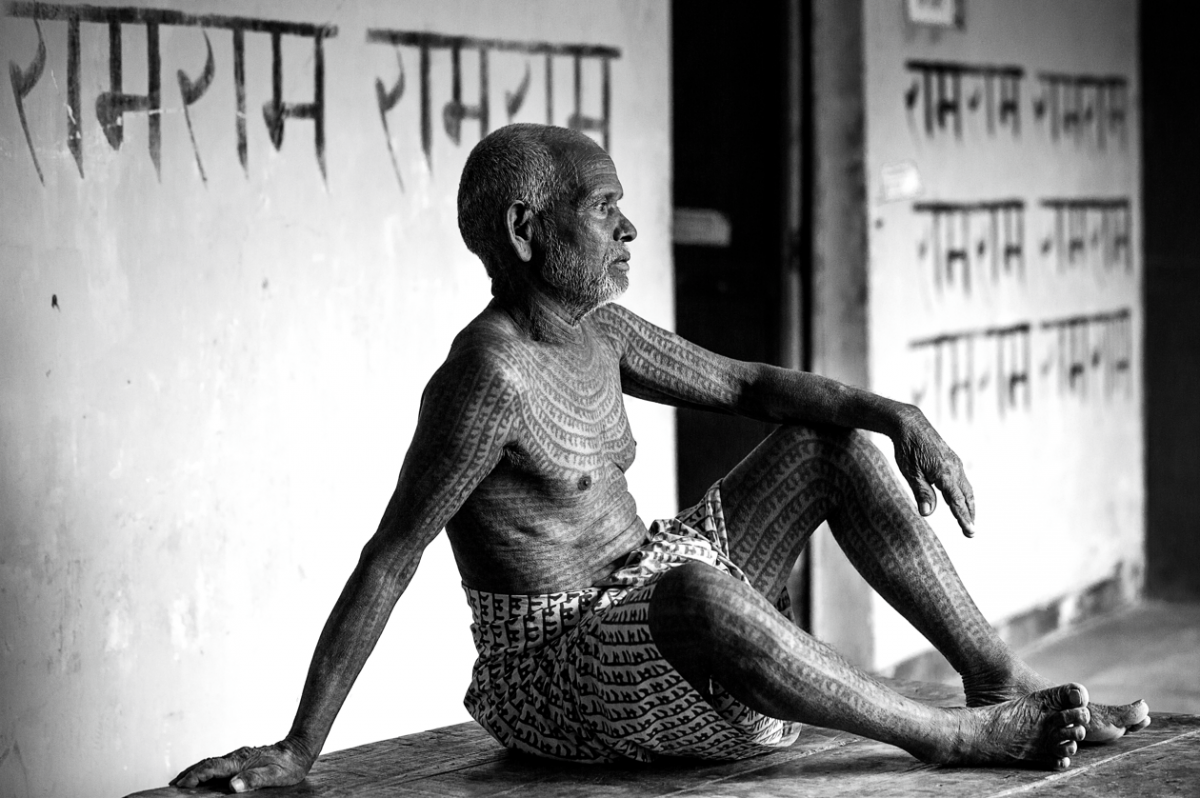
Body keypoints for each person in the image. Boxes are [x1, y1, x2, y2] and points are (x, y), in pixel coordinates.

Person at [171, 123, 1150, 792]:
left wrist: (895, 414)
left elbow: (747, 385)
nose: (628, 228)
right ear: (525, 230)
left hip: (650, 585)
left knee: (831, 443)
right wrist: (300, 747)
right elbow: (390, 557)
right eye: (604, 208)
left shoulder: (600, 330)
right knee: (696, 592)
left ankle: (995, 678)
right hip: (557, 669)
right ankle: (948, 738)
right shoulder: (487, 379)